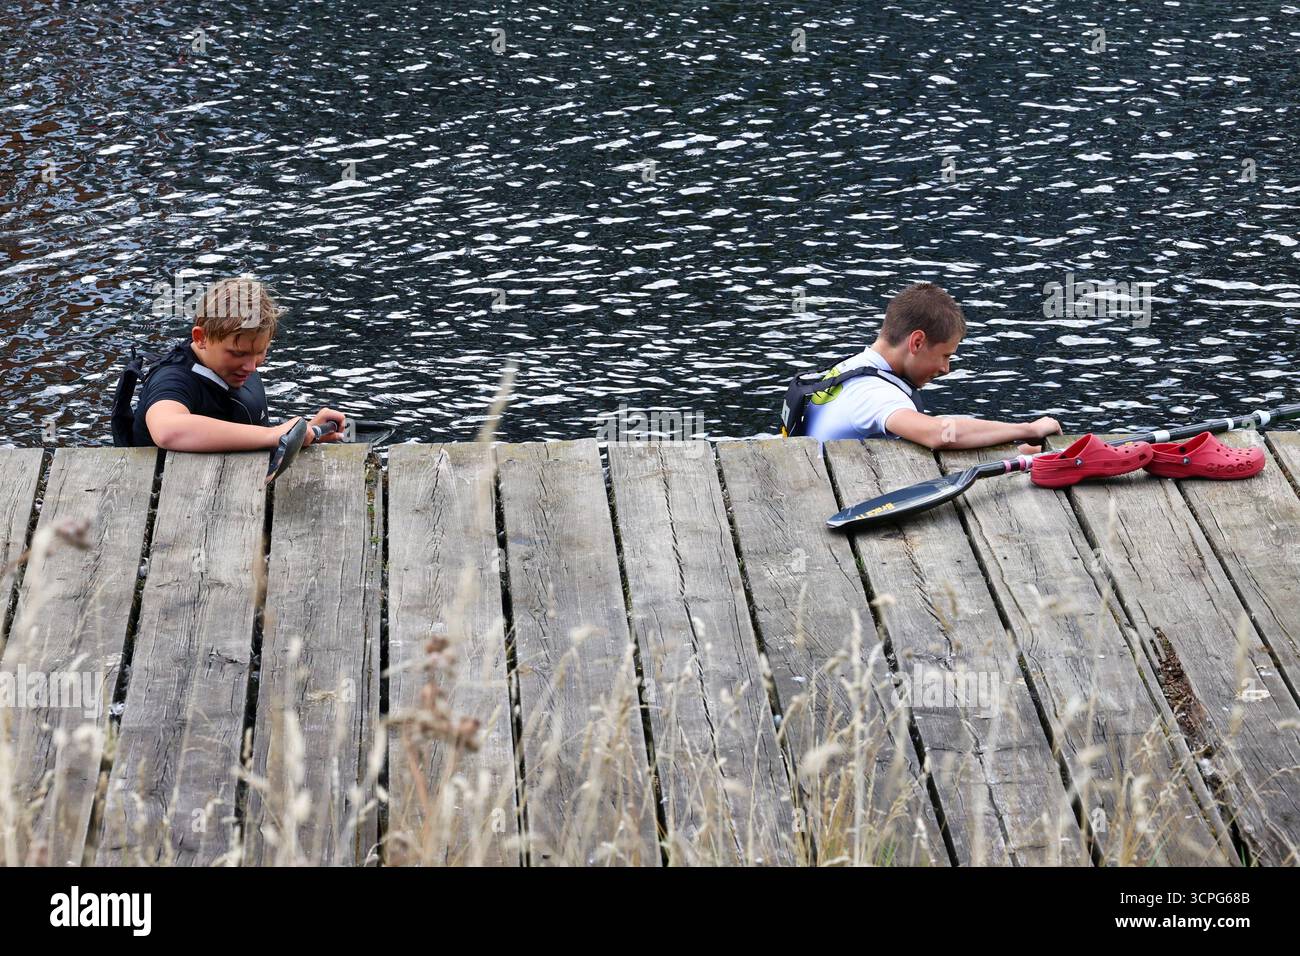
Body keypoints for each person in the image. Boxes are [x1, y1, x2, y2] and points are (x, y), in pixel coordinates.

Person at [792, 282, 1061, 453]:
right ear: (917, 342)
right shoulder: (875, 395)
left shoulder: (852, 367)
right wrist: (1028, 429)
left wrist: (1024, 452)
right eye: (945, 355)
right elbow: (939, 435)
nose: (946, 369)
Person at [113, 276, 346, 451]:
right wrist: (276, 435)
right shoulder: (172, 381)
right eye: (237, 354)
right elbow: (168, 430)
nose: (251, 366)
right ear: (201, 338)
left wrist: (304, 434)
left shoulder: (234, 364)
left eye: (260, 353)